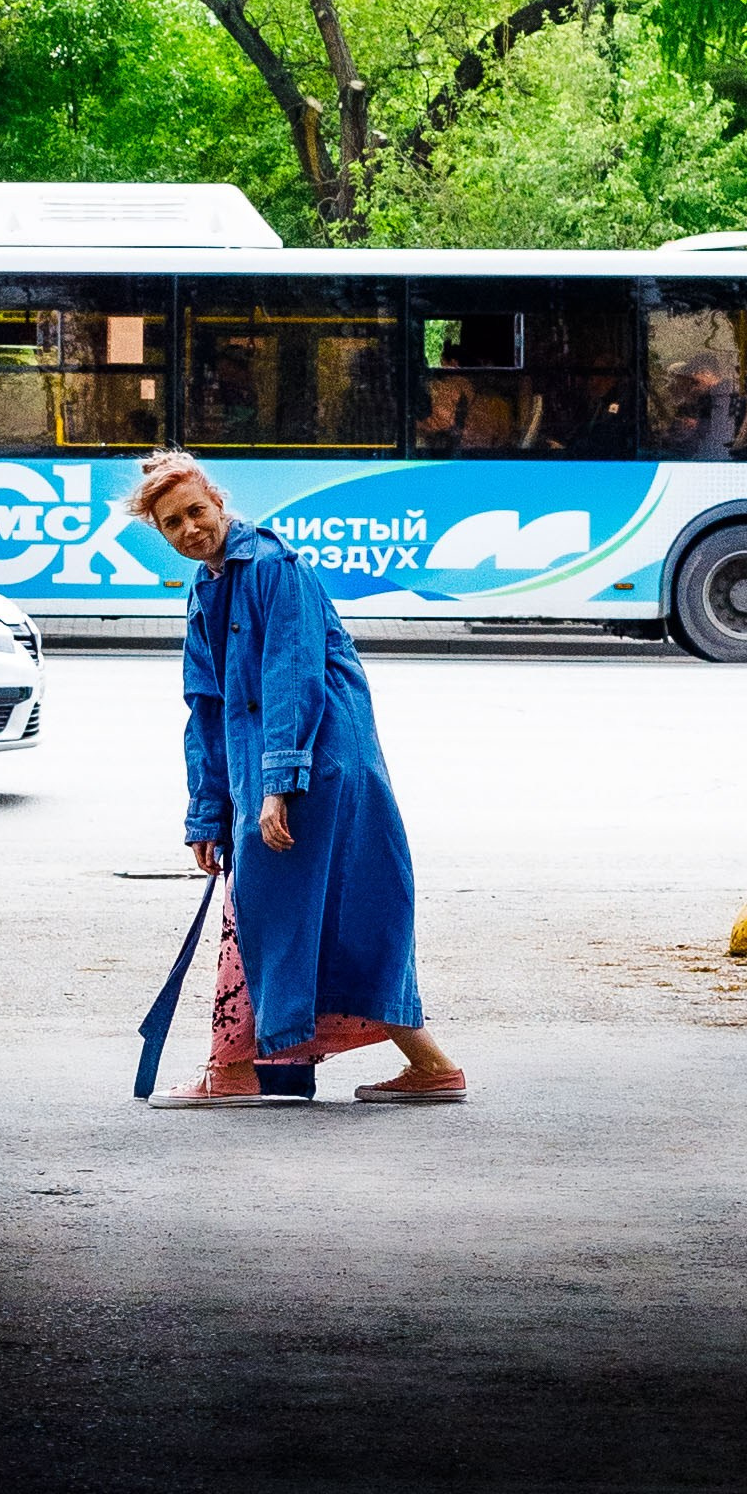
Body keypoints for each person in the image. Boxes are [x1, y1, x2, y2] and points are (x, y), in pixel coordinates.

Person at [135, 452, 466, 1108]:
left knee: (270, 912)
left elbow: (293, 676)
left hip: (315, 766)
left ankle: (234, 1070)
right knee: (316, 921)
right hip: (275, 772)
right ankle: (429, 1066)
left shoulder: (273, 567)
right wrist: (206, 812)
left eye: (196, 511)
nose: (190, 528)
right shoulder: (208, 585)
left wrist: (278, 788)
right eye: (173, 522)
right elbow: (206, 706)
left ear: (218, 500)